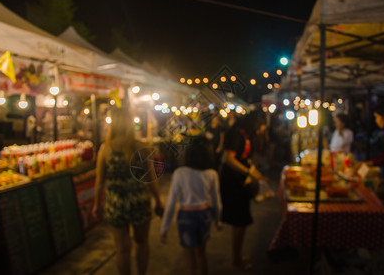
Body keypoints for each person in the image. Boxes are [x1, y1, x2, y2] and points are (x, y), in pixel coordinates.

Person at [93, 108, 164, 275]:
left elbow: (99, 182)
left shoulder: (105, 148)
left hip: (116, 202)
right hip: (139, 200)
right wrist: (159, 201)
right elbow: (151, 179)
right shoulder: (143, 147)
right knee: (141, 242)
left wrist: (97, 204)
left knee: (122, 249)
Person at [160, 137, 222, 275]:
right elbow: (216, 200)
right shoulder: (212, 174)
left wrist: (164, 228)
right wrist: (218, 220)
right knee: (202, 253)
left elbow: (171, 203)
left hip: (186, 216)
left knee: (189, 258)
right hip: (205, 214)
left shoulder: (180, 173)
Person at [219, 111, 268, 270]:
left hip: (240, 181)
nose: (261, 130)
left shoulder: (244, 134)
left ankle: (237, 256)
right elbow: (228, 159)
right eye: (260, 126)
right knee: (240, 220)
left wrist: (253, 171)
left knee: (240, 221)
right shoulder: (236, 134)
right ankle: (236, 259)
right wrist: (249, 172)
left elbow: (243, 158)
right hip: (232, 182)